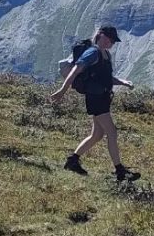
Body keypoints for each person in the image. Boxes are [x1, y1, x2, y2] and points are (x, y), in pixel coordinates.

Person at [50, 26, 140, 182]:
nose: (111, 43)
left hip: (102, 97)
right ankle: (120, 171)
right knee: (112, 132)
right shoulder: (93, 52)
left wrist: (123, 83)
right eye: (110, 39)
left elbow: (105, 77)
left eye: (113, 41)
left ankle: (73, 161)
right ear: (101, 36)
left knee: (97, 134)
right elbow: (75, 70)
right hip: (95, 98)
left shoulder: (105, 54)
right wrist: (62, 90)